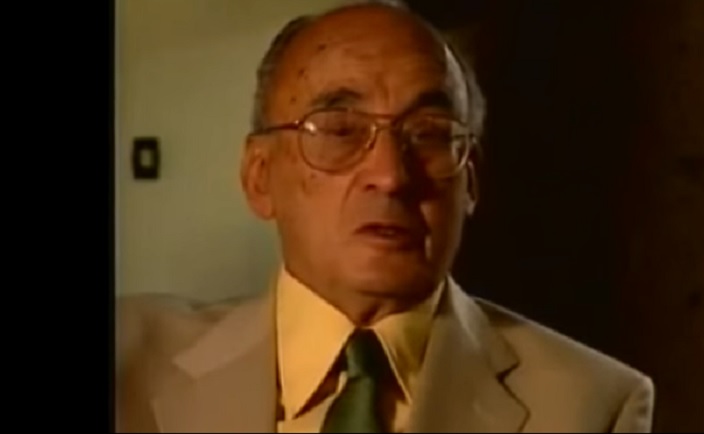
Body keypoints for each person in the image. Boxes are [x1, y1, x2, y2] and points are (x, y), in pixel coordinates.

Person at [115, 1, 654, 432]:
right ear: (259, 177)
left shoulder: (590, 405)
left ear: (470, 182)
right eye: (340, 130)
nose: (392, 175)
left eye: (429, 134)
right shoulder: (129, 358)